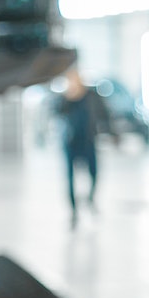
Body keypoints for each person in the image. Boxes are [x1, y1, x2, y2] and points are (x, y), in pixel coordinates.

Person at [52, 69, 100, 225]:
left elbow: (102, 112)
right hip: (70, 143)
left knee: (94, 173)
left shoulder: (91, 96)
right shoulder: (65, 99)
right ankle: (73, 210)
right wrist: (68, 96)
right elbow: (56, 112)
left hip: (88, 141)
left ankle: (90, 199)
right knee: (70, 177)